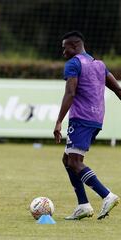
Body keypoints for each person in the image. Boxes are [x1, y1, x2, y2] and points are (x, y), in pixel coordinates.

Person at [54, 31, 121, 220]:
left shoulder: (73, 64)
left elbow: (70, 93)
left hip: (81, 119)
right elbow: (117, 88)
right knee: (67, 160)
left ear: (74, 46)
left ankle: (106, 195)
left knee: (75, 162)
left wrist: (59, 121)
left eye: (64, 48)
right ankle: (83, 205)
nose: (63, 52)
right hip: (96, 119)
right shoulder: (99, 64)